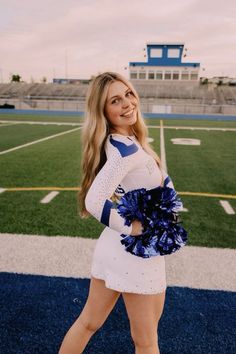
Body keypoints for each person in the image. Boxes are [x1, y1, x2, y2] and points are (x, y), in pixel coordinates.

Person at [59, 72, 175, 354]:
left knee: (89, 322)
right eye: (115, 100)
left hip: (118, 247)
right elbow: (95, 200)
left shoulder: (128, 141)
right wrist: (135, 228)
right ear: (104, 112)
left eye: (128, 94)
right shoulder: (123, 150)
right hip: (134, 253)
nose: (127, 103)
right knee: (146, 341)